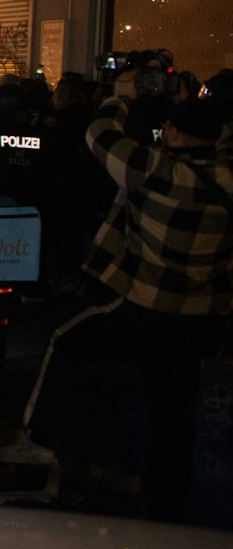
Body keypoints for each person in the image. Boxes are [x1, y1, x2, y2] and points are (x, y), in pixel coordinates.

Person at [43, 68, 231, 520]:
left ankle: (49, 439)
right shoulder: (227, 179)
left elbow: (100, 133)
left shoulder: (153, 170)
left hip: (149, 305)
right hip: (207, 316)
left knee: (68, 341)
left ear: (173, 132)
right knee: (175, 409)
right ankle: (166, 503)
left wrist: (122, 96)